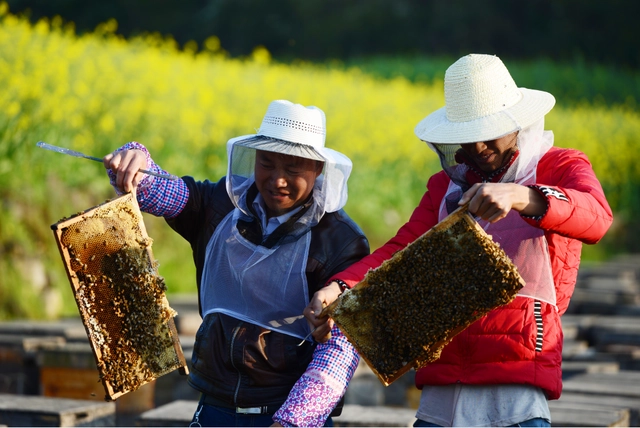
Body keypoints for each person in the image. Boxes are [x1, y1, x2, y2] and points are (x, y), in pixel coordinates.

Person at [305, 54, 613, 427]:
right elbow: (401, 250)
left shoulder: (559, 167)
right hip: (442, 382)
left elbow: (596, 217)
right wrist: (339, 287)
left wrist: (521, 196)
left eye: (489, 131)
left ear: (516, 122)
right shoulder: (444, 187)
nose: (478, 146)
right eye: (468, 135)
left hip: (517, 377)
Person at [103, 99, 370, 427]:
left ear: (318, 169)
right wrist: (136, 161)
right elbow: (164, 191)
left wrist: (295, 419)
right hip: (215, 407)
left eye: (293, 169)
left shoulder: (341, 241)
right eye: (267, 164)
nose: (277, 180)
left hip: (287, 412)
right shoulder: (219, 204)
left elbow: (339, 349)